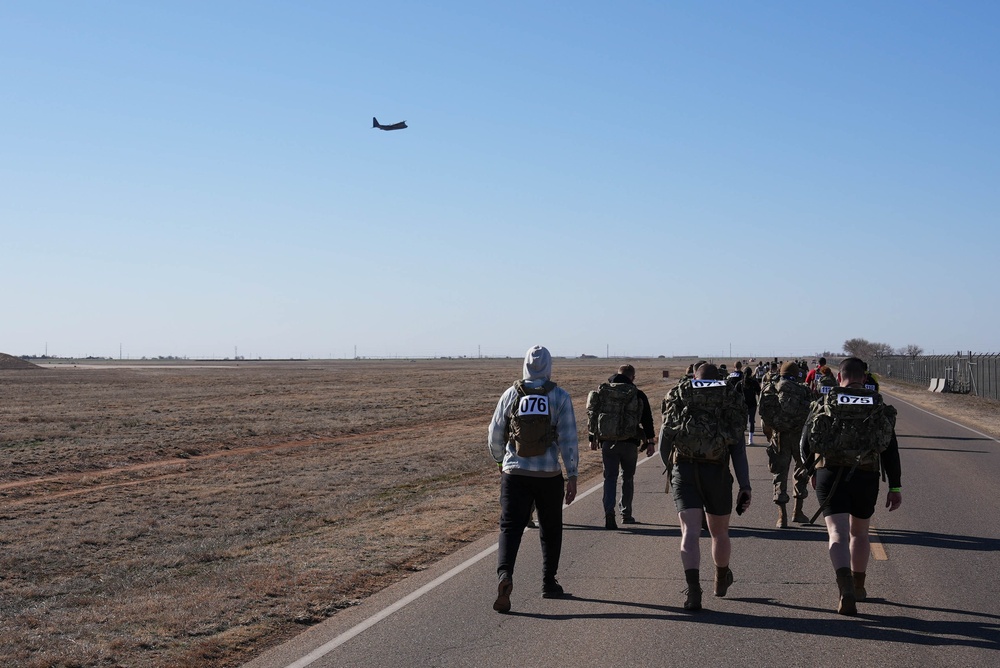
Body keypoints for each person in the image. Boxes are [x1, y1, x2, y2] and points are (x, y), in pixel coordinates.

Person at [801, 357, 902, 615]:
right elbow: (890, 449)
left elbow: (805, 442)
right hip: (866, 475)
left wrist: (810, 470)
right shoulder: (876, 406)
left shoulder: (824, 402)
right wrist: (895, 487)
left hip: (829, 473)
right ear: (865, 378)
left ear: (839, 377)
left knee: (837, 532)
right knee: (859, 533)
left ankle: (844, 586)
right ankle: (858, 586)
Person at [487, 345, 579, 613]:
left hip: (515, 472)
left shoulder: (510, 395)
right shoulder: (559, 396)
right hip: (549, 475)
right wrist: (572, 474)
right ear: (549, 367)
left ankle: (505, 575)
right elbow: (569, 440)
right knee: (551, 529)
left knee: (510, 527)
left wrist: (499, 460)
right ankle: (549, 582)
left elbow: (495, 432)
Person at [658, 363, 751, 611]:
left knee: (689, 531)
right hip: (716, 470)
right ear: (718, 378)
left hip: (685, 469)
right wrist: (745, 484)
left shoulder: (680, 393)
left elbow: (664, 440)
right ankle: (720, 579)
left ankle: (694, 591)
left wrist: (671, 469)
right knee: (719, 532)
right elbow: (738, 448)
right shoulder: (729, 396)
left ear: (695, 377)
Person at [587, 364, 656, 529]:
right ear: (633, 377)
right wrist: (651, 442)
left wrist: (592, 437)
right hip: (630, 443)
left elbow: (593, 414)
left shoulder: (604, 391)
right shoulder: (637, 394)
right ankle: (626, 513)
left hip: (608, 442)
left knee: (609, 478)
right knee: (627, 478)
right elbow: (647, 419)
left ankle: (609, 512)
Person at [760, 361, 813, 527]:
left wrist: (771, 436)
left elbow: (764, 419)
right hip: (800, 438)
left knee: (779, 475)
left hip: (779, 436)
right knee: (801, 472)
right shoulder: (804, 390)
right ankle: (798, 512)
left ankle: (781, 517)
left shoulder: (771, 388)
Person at [741, 365, 762, 445]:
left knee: (742, 422)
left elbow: (736, 393)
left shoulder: (740, 383)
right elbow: (759, 392)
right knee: (751, 421)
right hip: (752, 404)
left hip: (742, 405)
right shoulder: (754, 383)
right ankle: (750, 440)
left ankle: (742, 439)